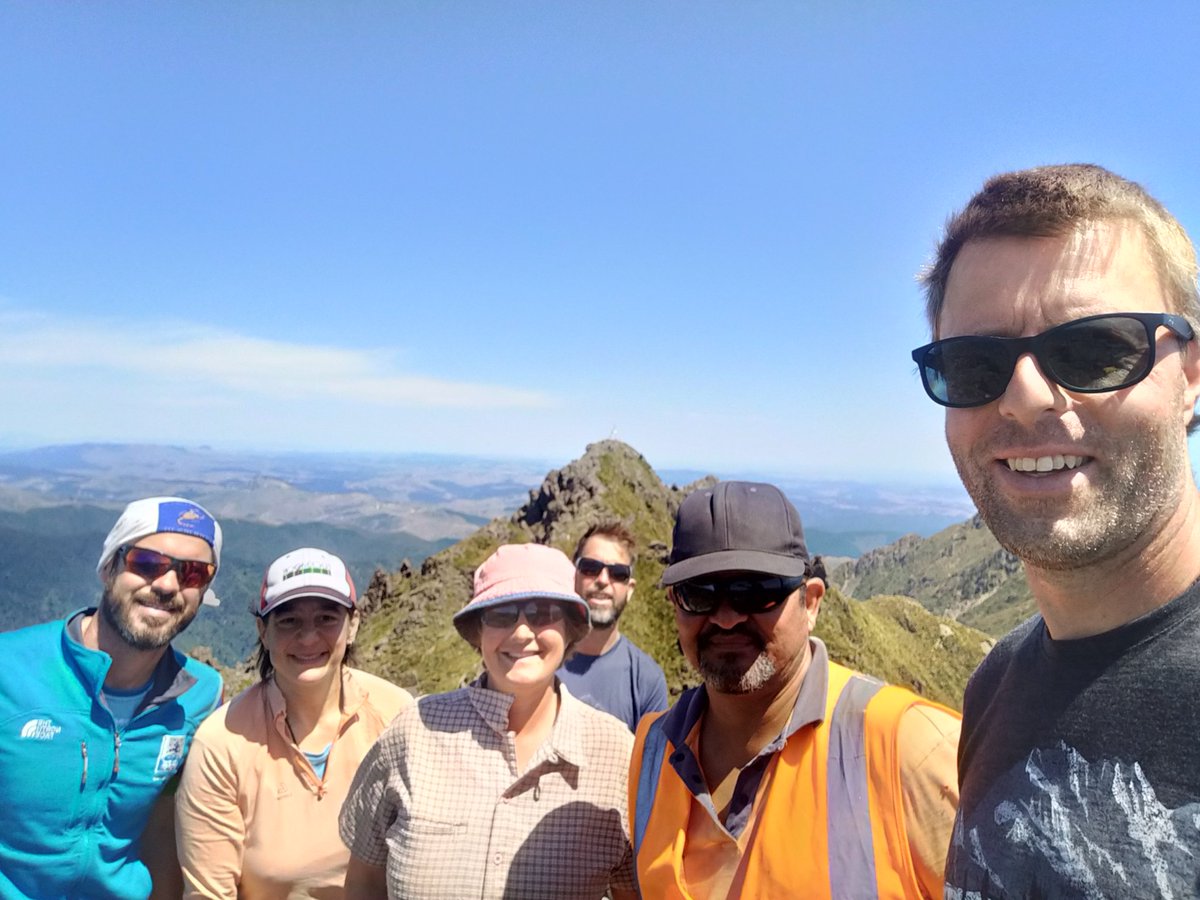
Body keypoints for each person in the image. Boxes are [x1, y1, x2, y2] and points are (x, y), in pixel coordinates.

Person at [913, 163, 1200, 898]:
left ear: (1192, 374)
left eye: (1095, 350)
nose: (1025, 396)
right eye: (972, 364)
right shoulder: (995, 686)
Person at [630, 481, 960, 899]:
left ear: (812, 602)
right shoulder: (652, 750)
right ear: (675, 605)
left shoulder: (908, 747)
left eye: (757, 592)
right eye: (699, 595)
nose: (727, 618)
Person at [340, 542, 638, 900]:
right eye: (501, 613)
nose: (522, 633)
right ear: (478, 631)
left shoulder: (618, 755)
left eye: (543, 613)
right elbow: (363, 884)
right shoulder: (413, 732)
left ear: (570, 629)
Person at [0, 496, 224, 899]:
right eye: (147, 563)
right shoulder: (10, 669)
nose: (167, 585)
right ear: (109, 568)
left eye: (193, 572)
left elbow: (169, 826)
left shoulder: (201, 696)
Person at [176, 547, 413, 899]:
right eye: (289, 621)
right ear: (263, 631)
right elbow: (208, 893)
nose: (308, 637)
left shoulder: (397, 715)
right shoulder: (222, 742)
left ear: (353, 625)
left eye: (327, 618)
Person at [557, 521, 669, 731]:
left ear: (630, 589)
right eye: (590, 568)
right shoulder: (540, 662)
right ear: (574, 576)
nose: (603, 580)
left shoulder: (647, 680)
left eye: (618, 573)